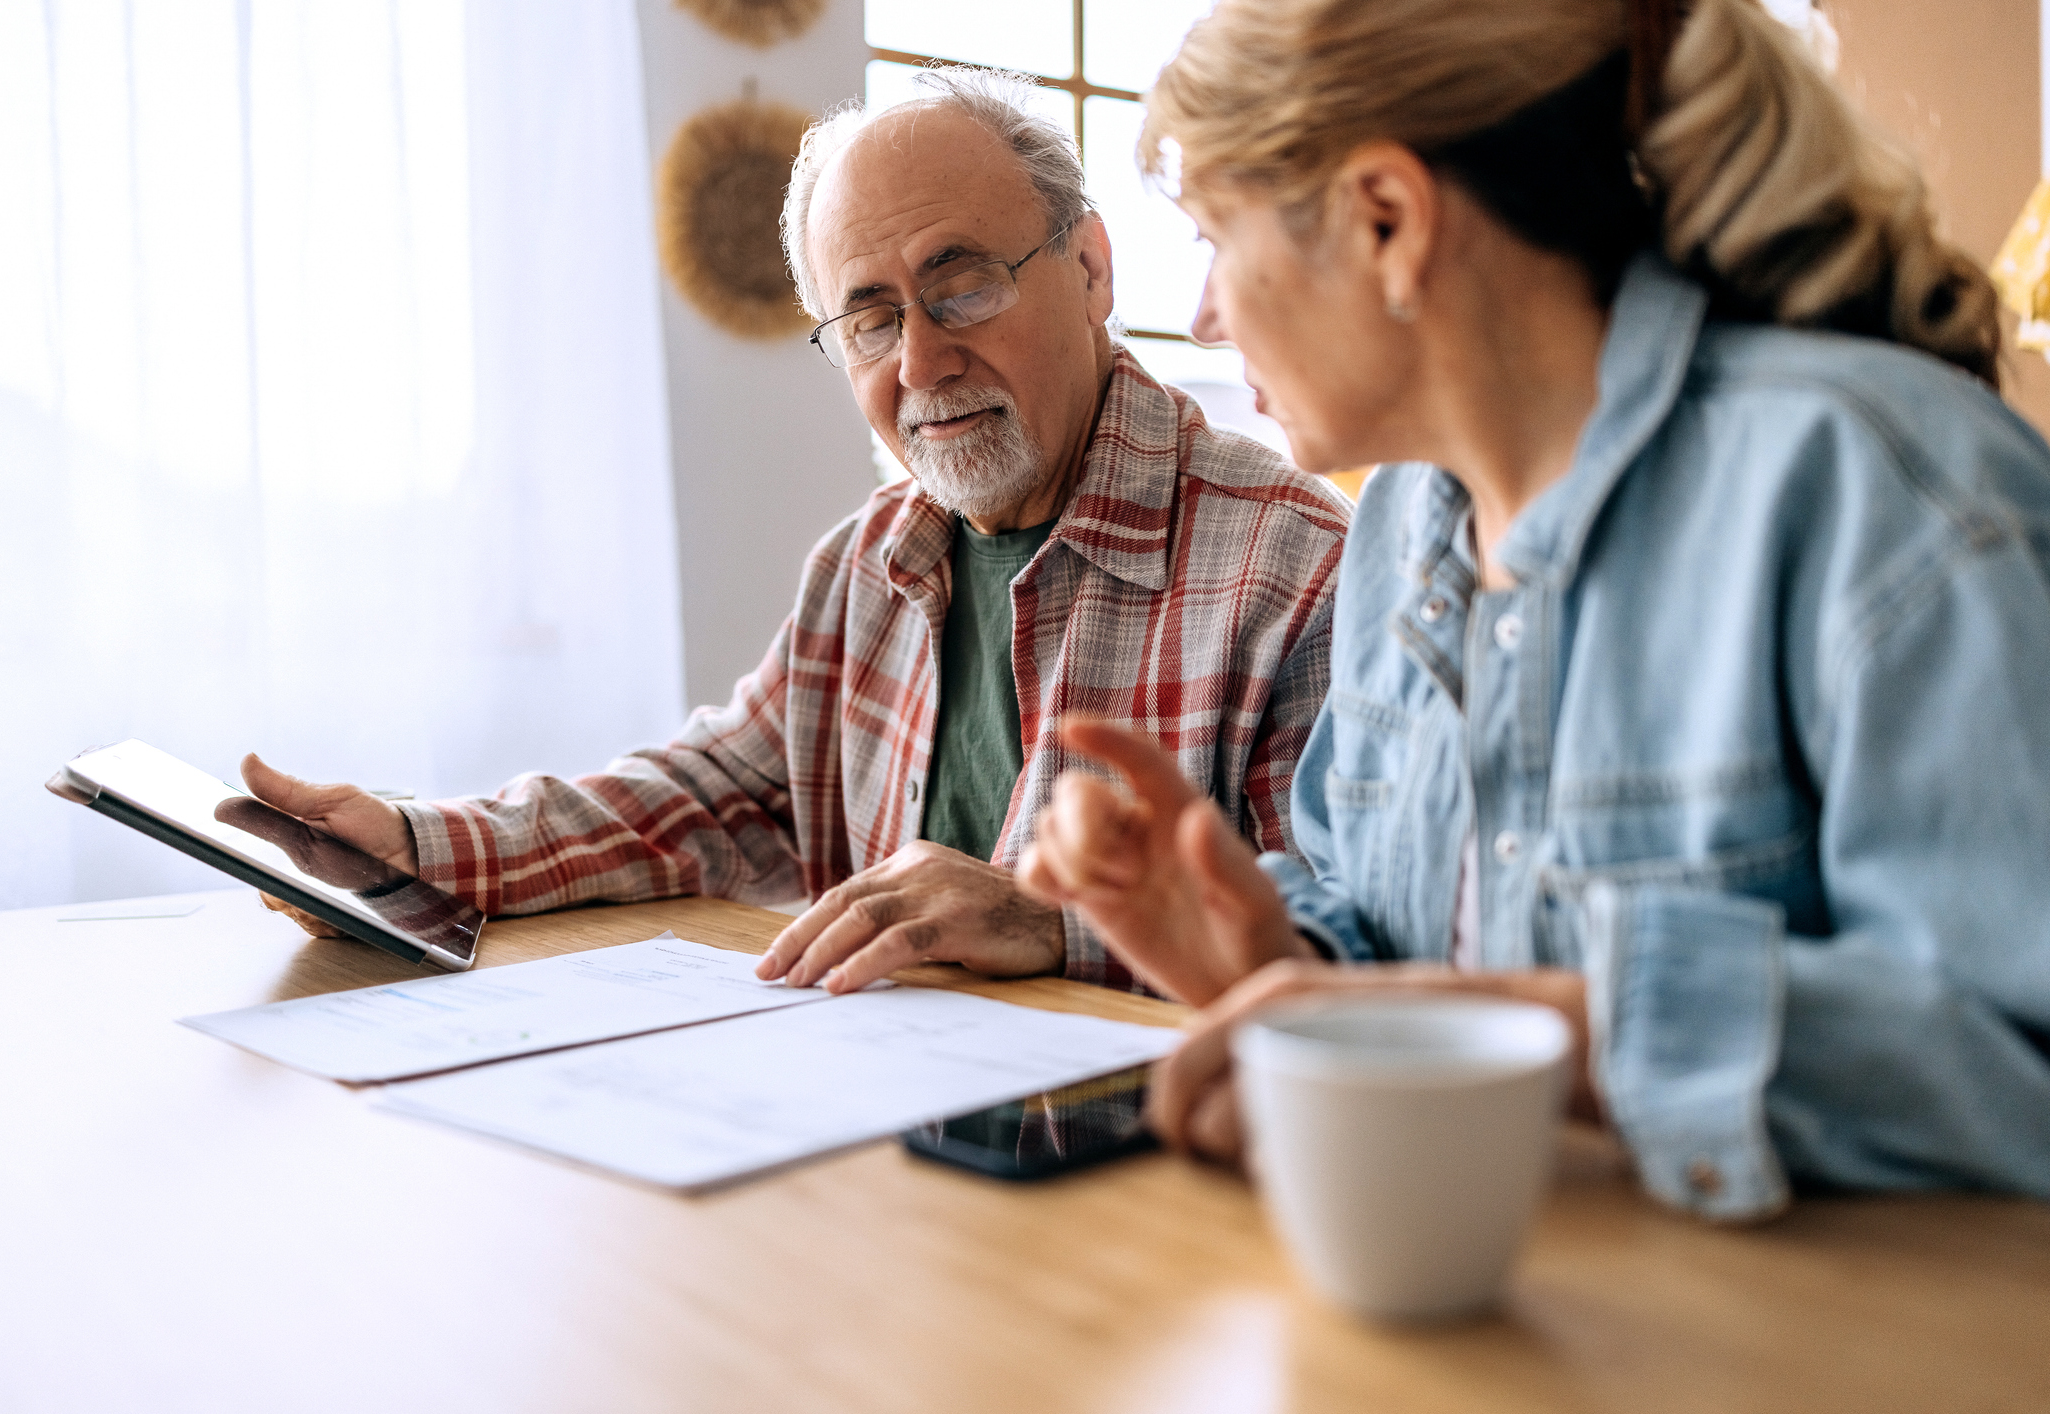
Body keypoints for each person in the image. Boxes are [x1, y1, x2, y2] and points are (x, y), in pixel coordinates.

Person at [1018, 0, 2050, 1218]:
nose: (1199, 313)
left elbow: (2014, 1061)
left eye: (1211, 237)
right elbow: (1392, 935)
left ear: (1385, 220)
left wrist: (1552, 1028)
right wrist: (1275, 960)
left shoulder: (1884, 490)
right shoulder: (1400, 521)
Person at [246, 66, 1348, 996]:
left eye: (958, 287)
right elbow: (704, 797)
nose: (918, 364)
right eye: (869, 318)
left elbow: (1343, 951)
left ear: (1092, 269)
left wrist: (1050, 922)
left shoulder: (1296, 565)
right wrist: (412, 841)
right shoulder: (868, 562)